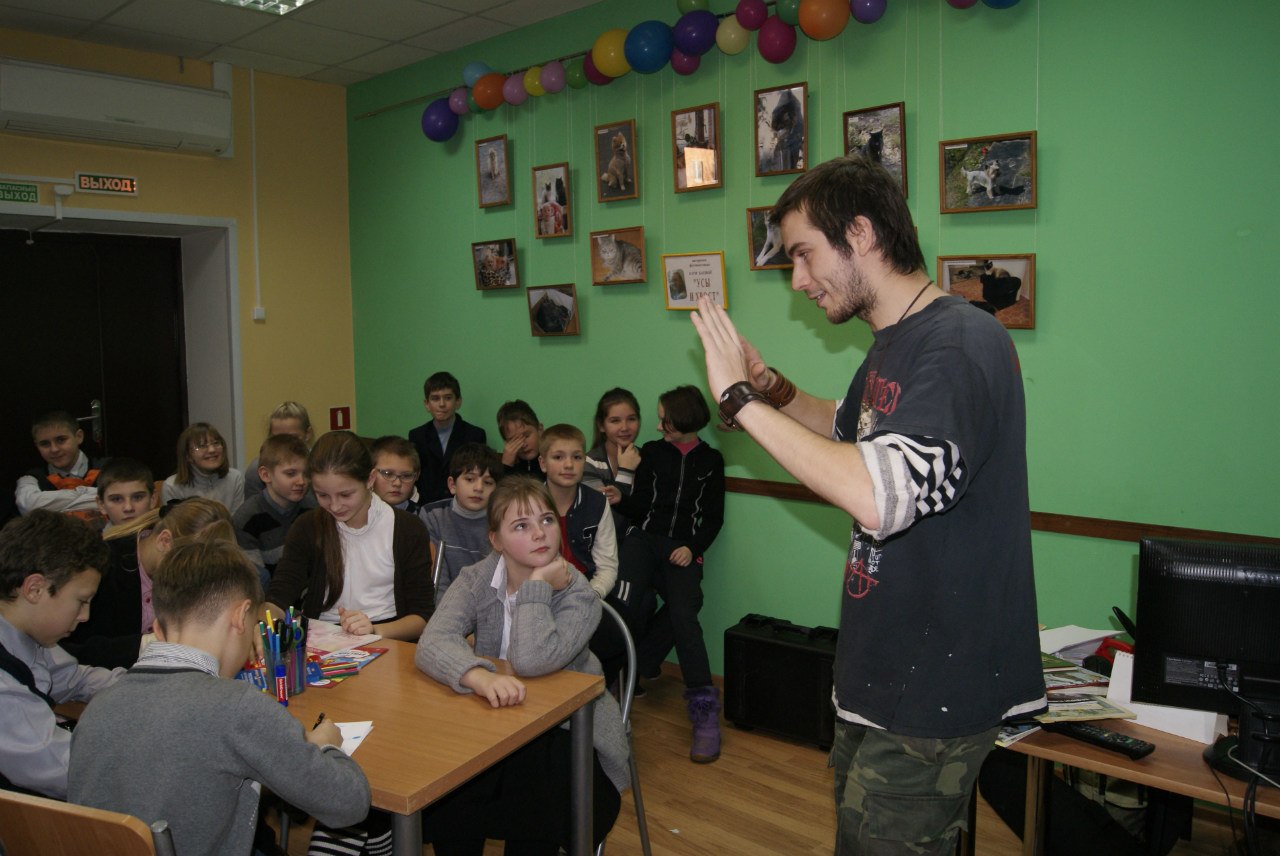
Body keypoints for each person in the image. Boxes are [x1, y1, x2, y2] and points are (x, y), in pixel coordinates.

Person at [689, 154, 1046, 854]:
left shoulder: (960, 342)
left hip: (932, 690)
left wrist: (735, 399)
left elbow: (880, 495)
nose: (797, 280)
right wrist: (770, 390)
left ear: (859, 233)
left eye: (803, 254)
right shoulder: (895, 341)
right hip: (881, 676)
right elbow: (850, 429)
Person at [67, 535, 370, 856]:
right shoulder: (236, 706)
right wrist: (325, 746)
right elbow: (350, 804)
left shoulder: (99, 706)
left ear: (157, 628)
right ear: (241, 617)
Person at [415, 476, 627, 855]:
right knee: (449, 788)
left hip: (568, 733)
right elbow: (432, 640)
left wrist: (537, 586)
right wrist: (477, 676)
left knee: (539, 800)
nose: (539, 533)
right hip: (496, 722)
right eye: (520, 526)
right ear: (495, 540)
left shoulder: (578, 593)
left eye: (547, 520)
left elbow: (530, 660)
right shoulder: (476, 578)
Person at [615, 385, 725, 763]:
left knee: (684, 613)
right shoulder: (651, 452)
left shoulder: (711, 461)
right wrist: (621, 494)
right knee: (622, 605)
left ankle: (704, 712)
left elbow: (713, 519)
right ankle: (609, 685)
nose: (659, 426)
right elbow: (639, 507)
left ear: (685, 421)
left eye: (666, 421)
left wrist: (692, 547)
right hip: (643, 541)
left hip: (682, 548)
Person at [266, 430, 433, 642]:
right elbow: (279, 597)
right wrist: (265, 622)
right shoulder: (308, 526)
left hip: (389, 637)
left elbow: (422, 617)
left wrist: (373, 631)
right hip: (323, 638)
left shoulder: (408, 528)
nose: (335, 506)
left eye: (345, 494)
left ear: (370, 479)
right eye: (322, 495)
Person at [0, 511, 121, 798]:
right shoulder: (5, 690)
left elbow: (74, 678)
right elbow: (71, 771)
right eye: (81, 601)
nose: (85, 616)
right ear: (35, 589)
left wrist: (149, 691)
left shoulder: (28, 636)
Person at [63, 498, 234, 670]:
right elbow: (65, 652)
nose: (192, 581)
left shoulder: (197, 567)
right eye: (189, 569)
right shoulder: (101, 571)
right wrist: (144, 645)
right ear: (164, 541)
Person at [419, 442, 501, 600]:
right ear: (452, 485)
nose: (479, 488)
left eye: (488, 482)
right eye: (470, 479)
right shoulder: (432, 515)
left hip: (488, 606)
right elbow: (437, 581)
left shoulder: (502, 522)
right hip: (444, 606)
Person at [233, 434, 313, 589]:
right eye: (291, 474)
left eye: (306, 474)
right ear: (266, 475)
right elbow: (255, 580)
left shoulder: (312, 509)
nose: (302, 481)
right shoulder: (246, 519)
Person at [409, 372, 489, 505]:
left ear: (458, 402)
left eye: (447, 398)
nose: (442, 404)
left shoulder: (475, 435)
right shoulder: (417, 435)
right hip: (426, 505)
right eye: (435, 398)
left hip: (461, 504)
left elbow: (476, 476)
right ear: (427, 404)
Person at [14, 411, 104, 521]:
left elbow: (123, 497)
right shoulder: (31, 478)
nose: (54, 449)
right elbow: (30, 507)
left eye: (61, 440)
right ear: (36, 445)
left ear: (79, 437)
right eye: (45, 444)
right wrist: (100, 497)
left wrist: (49, 502)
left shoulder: (109, 468)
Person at [161, 422, 245, 514]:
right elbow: (174, 522)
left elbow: (237, 521)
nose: (212, 450)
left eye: (216, 443)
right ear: (188, 456)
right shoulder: (172, 487)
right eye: (202, 446)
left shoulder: (235, 478)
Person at [582, 387, 643, 510]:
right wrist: (626, 471)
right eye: (615, 421)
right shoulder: (588, 463)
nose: (624, 427)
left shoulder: (649, 458)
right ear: (601, 426)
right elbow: (602, 512)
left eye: (631, 419)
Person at [243, 401, 314, 499]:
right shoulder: (256, 470)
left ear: (308, 434)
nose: (285, 445)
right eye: (279, 438)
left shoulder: (320, 464)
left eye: (293, 438)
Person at [94, 458, 157, 533]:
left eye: (137, 497)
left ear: (153, 499)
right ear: (101, 504)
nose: (128, 508)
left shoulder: (168, 536)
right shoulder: (94, 540)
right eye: (117, 499)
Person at [370, 435, 423, 514]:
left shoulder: (424, 517)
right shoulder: (356, 513)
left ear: (417, 476)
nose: (397, 483)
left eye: (406, 476)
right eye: (388, 474)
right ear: (370, 475)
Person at [495, 400, 544, 478]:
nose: (523, 445)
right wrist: (506, 466)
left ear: (540, 430)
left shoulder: (553, 461)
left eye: (526, 436)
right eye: (514, 441)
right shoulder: (506, 467)